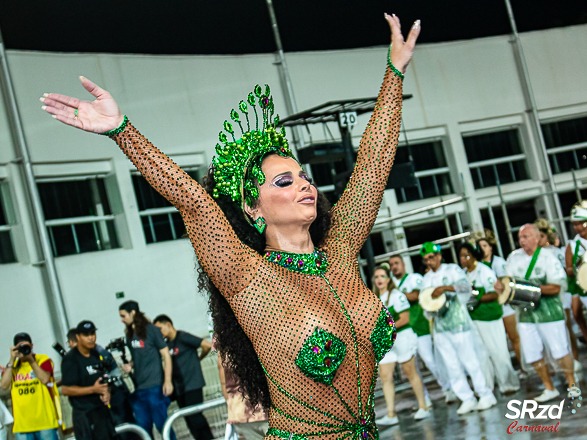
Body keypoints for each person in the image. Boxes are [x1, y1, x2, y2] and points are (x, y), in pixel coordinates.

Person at [40, 13, 419, 439]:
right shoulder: (248, 278)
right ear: (254, 210)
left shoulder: (341, 253)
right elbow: (194, 202)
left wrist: (394, 72)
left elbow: (373, 164)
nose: (304, 185)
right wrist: (122, 131)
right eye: (284, 181)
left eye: (304, 176)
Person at [496, 223, 577, 402]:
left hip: (550, 314)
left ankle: (572, 384)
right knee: (532, 352)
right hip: (526, 315)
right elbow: (508, 283)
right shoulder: (513, 258)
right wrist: (501, 286)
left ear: (536, 237)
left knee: (560, 350)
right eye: (520, 238)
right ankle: (549, 387)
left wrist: (530, 289)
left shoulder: (548, 257)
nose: (522, 241)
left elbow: (556, 287)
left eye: (525, 237)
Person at [419, 242, 496, 415]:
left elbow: (466, 287)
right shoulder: (426, 279)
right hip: (440, 327)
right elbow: (425, 302)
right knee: (451, 365)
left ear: (439, 256)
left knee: (470, 360)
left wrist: (446, 288)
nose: (429, 262)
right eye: (426, 260)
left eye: (431, 257)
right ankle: (466, 398)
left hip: (459, 323)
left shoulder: (452, 270)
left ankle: (485, 394)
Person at [458, 242, 520, 395]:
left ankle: (508, 384)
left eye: (466, 256)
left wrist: (477, 297)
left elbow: (495, 293)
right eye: (461, 256)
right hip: (474, 319)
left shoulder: (484, 271)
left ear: (474, 256)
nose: (464, 259)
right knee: (481, 355)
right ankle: (487, 387)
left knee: (498, 351)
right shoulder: (463, 275)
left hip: (490, 317)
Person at [388, 254, 451, 403]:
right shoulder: (391, 284)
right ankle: (425, 399)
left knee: (430, 361)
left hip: (420, 326)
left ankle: (447, 387)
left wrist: (398, 294)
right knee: (412, 368)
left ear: (403, 264)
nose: (394, 267)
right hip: (406, 331)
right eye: (391, 265)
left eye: (396, 263)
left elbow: (418, 295)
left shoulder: (413, 278)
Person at [372, 265, 429, 426]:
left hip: (402, 337)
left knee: (410, 372)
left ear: (388, 279)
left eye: (382, 276)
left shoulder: (396, 295)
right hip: (387, 341)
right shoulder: (374, 298)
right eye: (376, 277)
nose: (379, 280)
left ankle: (423, 406)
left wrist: (386, 329)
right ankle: (391, 414)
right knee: (385, 376)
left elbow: (405, 318)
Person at [118, 301, 175, 440]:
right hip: (140, 389)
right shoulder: (130, 334)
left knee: (162, 425)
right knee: (143, 429)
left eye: (123, 316)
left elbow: (166, 355)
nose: (122, 319)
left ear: (133, 313)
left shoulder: (151, 330)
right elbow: (138, 355)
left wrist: (167, 381)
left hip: (155, 386)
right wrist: (130, 365)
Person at [153, 315, 214, 440]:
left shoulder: (183, 337)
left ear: (168, 325)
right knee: (189, 420)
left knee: (196, 417)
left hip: (192, 384)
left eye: (160, 328)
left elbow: (206, 345)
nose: (159, 333)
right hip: (180, 388)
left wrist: (198, 358)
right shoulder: (166, 345)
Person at [60, 320, 116, 440]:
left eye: (92, 334)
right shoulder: (70, 359)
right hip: (84, 415)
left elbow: (102, 379)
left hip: (101, 412)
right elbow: (66, 389)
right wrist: (93, 389)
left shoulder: (96, 354)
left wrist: (106, 392)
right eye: (86, 335)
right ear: (78, 337)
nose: (91, 338)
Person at [476, 233, 523, 373]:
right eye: (479, 247)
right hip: (492, 307)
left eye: (484, 246)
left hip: (506, 306)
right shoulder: (478, 266)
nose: (482, 249)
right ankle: (505, 371)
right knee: (498, 343)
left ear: (491, 247)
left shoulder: (499, 263)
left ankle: (524, 367)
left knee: (514, 337)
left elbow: (507, 282)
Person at [0, 332, 61, 440]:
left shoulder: (43, 359)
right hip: (22, 426)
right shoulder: (13, 366)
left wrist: (31, 360)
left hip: (45, 422)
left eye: (26, 346)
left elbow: (45, 379)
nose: (24, 349)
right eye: (20, 347)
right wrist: (11, 360)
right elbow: (3, 386)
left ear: (32, 346)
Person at [217, 352, 269, 440]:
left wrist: (232, 405)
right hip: (265, 407)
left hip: (240, 411)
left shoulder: (223, 351)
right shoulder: (259, 344)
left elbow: (224, 384)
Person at [565, 201, 587, 345]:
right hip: (585, 288)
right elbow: (569, 270)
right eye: (575, 224)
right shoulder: (573, 245)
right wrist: (579, 267)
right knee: (576, 314)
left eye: (581, 223)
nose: (577, 227)